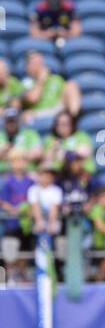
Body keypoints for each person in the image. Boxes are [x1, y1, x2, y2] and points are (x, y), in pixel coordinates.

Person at [0, 148, 34, 283]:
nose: (19, 164)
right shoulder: (7, 181)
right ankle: (10, 275)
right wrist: (14, 210)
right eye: (15, 161)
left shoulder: (30, 181)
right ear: (10, 163)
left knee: (25, 249)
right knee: (10, 249)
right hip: (12, 222)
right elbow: (2, 201)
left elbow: (33, 199)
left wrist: (28, 210)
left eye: (22, 160)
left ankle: (22, 274)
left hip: (26, 223)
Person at [21, 51, 81, 121]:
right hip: (39, 114)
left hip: (58, 110)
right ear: (27, 67)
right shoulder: (26, 82)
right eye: (35, 63)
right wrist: (41, 81)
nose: (40, 66)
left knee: (71, 85)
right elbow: (32, 99)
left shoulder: (56, 79)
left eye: (40, 62)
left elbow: (66, 97)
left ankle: (72, 119)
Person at [0, 108, 43, 173]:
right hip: (3, 173)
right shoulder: (1, 135)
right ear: (4, 122)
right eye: (8, 121)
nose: (11, 124)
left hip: (27, 172)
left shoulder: (30, 133)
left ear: (18, 121)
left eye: (13, 121)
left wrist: (12, 155)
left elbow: (38, 153)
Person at [28, 163, 63, 236]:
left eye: (50, 175)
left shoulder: (56, 190)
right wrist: (39, 221)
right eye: (44, 174)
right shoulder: (33, 189)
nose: (47, 177)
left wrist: (51, 222)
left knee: (54, 228)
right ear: (39, 176)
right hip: (36, 219)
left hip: (53, 219)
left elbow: (54, 207)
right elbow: (35, 205)